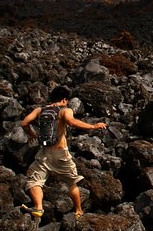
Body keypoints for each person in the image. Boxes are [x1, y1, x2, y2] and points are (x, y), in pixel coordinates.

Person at [20, 85, 107, 219]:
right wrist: (93, 126)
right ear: (64, 100)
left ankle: (38, 207)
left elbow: (24, 123)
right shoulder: (64, 110)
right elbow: (72, 122)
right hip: (60, 153)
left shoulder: (40, 110)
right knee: (72, 182)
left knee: (34, 181)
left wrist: (32, 134)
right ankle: (78, 211)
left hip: (44, 153)